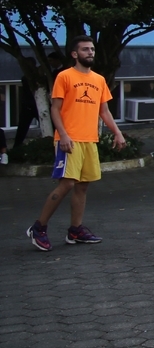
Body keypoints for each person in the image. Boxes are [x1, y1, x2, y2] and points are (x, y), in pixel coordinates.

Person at [25, 36, 128, 252]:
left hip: (89, 139)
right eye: (85, 49)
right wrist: (63, 135)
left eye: (92, 49)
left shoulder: (99, 80)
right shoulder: (65, 76)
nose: (90, 52)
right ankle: (38, 227)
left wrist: (117, 133)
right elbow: (55, 109)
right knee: (67, 184)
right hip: (69, 140)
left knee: (82, 186)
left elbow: (104, 111)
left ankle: (75, 230)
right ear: (74, 54)